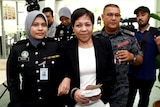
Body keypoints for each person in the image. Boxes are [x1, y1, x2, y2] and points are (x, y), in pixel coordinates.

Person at [6, 10, 68, 107]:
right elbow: (13, 81)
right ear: (28, 26)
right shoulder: (17, 49)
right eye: (35, 25)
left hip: (53, 102)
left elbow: (65, 70)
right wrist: (16, 103)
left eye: (43, 25)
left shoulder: (55, 46)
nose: (40, 28)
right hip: (28, 102)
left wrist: (66, 78)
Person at [58, 7, 116, 107]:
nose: (84, 29)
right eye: (78, 25)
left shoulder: (104, 44)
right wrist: (74, 92)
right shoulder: (65, 48)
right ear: (73, 27)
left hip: (100, 102)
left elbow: (111, 73)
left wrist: (101, 90)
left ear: (93, 26)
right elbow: (60, 74)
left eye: (87, 24)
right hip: (76, 103)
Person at [94, 4, 143, 107]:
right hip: (97, 88)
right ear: (102, 17)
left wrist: (131, 57)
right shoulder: (94, 38)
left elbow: (140, 59)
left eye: (117, 15)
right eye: (110, 15)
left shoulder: (129, 37)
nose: (113, 18)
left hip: (120, 90)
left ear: (120, 17)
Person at [127, 6, 160, 107]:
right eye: (137, 15)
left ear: (149, 16)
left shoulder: (156, 32)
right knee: (128, 100)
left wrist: (158, 44)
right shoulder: (132, 34)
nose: (140, 18)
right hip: (131, 74)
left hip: (148, 75)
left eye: (143, 15)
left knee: (144, 101)